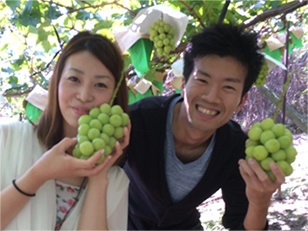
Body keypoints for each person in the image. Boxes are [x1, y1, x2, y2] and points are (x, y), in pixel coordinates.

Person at [123, 23, 285, 230]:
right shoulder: (139, 120)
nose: (212, 97)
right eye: (202, 80)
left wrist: (260, 201)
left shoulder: (237, 149)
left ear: (241, 101)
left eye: (228, 87)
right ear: (183, 85)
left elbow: (240, 224)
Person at [0, 31, 131, 230]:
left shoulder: (114, 181)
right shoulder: (9, 138)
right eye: (74, 79)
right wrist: (38, 174)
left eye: (100, 84)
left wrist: (97, 178)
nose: (85, 95)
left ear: (114, 97)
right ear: (57, 82)